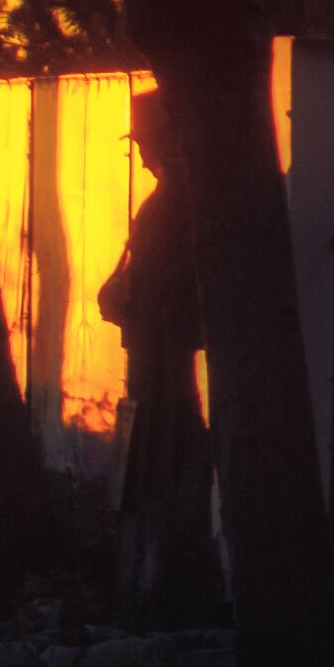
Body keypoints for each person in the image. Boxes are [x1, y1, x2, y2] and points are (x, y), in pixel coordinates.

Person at [99, 92, 223, 628]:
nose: (145, 154)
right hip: (159, 367)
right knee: (162, 466)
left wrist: (129, 300)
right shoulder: (172, 203)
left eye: (150, 142)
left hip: (164, 368)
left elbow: (162, 292)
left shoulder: (175, 206)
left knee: (166, 467)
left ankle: (165, 592)